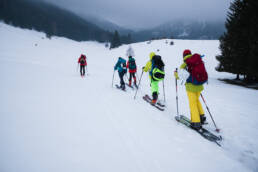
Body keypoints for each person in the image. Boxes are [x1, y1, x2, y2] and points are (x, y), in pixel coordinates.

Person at [174, 49, 207, 130]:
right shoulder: (198, 60)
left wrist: (175, 73)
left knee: (192, 104)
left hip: (191, 87)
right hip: (200, 85)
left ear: (183, 56)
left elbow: (180, 76)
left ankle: (196, 122)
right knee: (197, 101)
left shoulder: (185, 64)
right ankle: (201, 116)